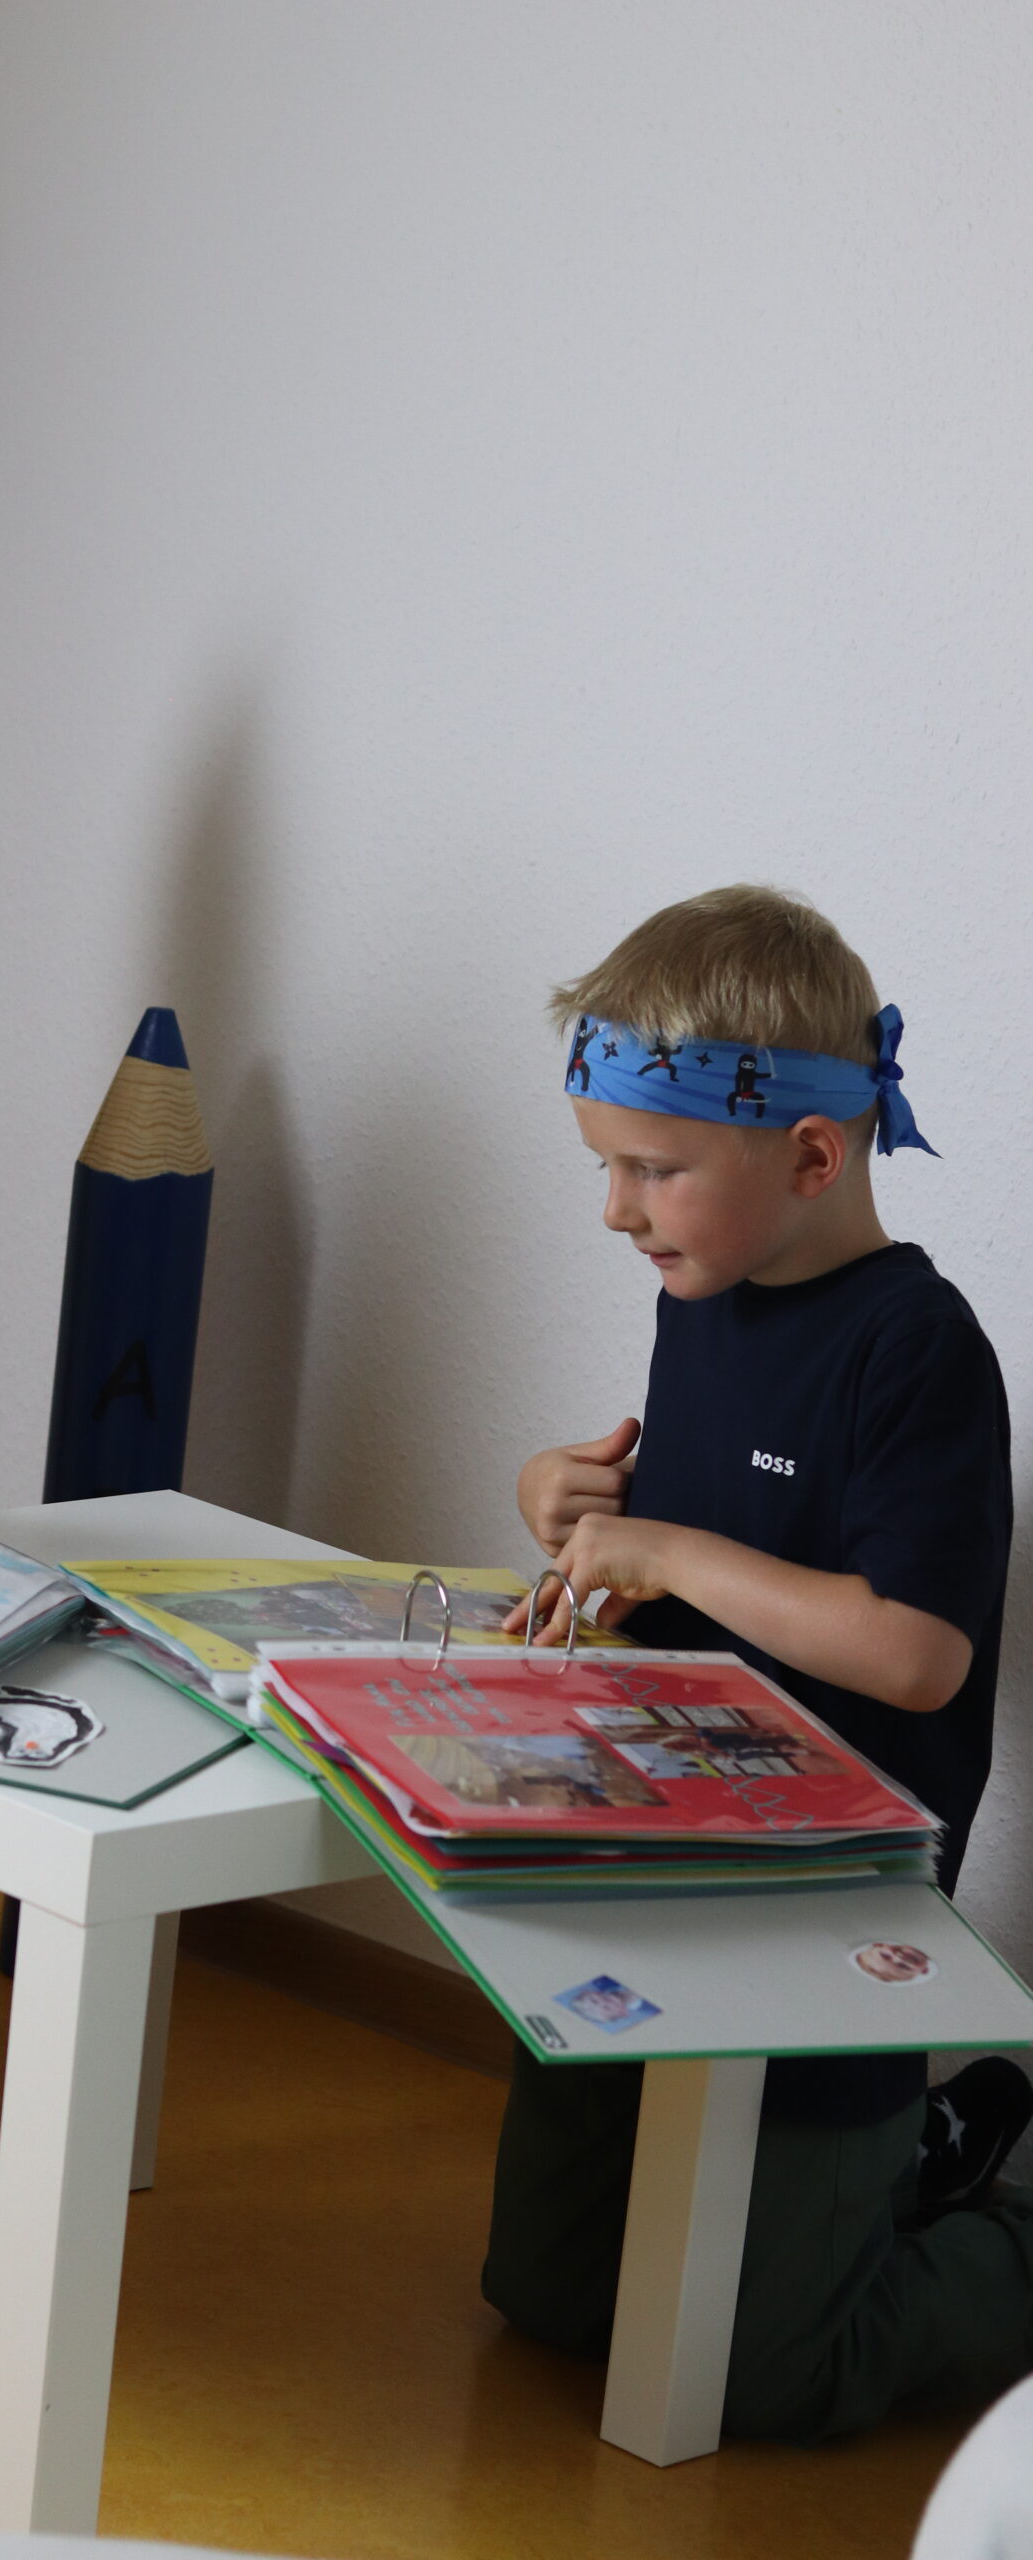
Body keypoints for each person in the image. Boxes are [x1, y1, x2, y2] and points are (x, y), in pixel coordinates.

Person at [487, 883, 1033, 2439]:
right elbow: (696, 1577)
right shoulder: (703, 1296)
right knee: (549, 2292)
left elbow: (916, 1655)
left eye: (654, 1170)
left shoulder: (919, 1347)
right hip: (652, 1876)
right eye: (606, 1167)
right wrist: (568, 1510)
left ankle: (988, 2222)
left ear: (810, 1157)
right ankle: (899, 2175)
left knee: (773, 2376)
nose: (619, 1211)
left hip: (824, 1926)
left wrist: (668, 1553)